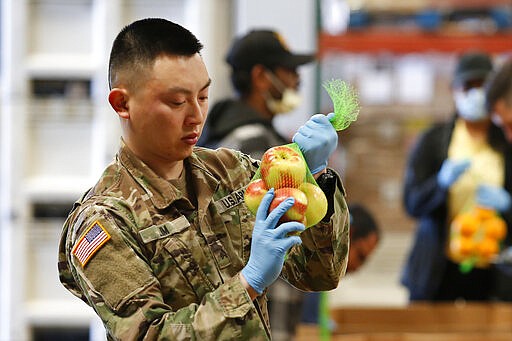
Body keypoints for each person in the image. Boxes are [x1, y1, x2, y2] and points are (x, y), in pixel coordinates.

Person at [57, 18, 350, 340]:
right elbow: (150, 334)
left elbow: (320, 274)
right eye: (177, 102)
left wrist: (315, 173)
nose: (196, 116)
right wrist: (248, 281)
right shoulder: (105, 220)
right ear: (122, 103)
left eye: (203, 96)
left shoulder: (230, 172)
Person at [197, 29, 317, 340]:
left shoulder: (239, 136)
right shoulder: (252, 145)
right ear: (261, 76)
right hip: (260, 313)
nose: (296, 82)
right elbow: (283, 227)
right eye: (289, 72)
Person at [401, 51, 512, 302]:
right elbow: (411, 203)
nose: (475, 94)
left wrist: (508, 205)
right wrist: (439, 185)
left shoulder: (506, 141)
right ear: (454, 90)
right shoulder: (433, 141)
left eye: (482, 86)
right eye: (468, 86)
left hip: (492, 268)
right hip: (439, 267)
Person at [197, 29, 314, 158]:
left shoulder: (224, 126)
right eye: (290, 71)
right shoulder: (252, 142)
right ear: (261, 77)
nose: (297, 79)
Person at [300, 203, 381, 325]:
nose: (357, 267)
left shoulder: (321, 276)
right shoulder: (304, 267)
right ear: (349, 234)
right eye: (360, 256)